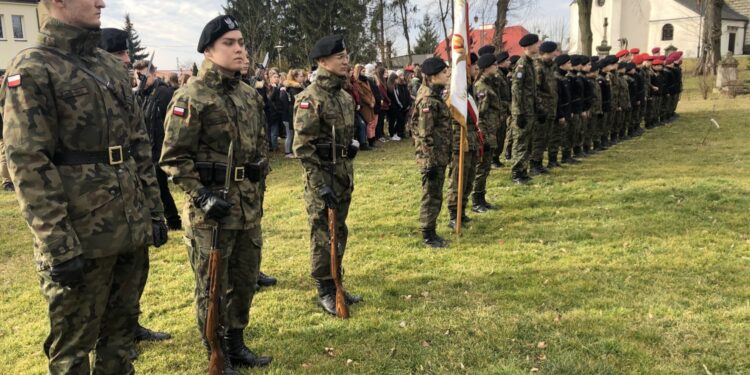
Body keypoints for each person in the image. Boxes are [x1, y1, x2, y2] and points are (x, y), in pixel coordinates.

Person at [1, 0, 169, 372]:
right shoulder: (33, 67)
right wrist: (57, 243)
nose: (101, 2)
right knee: (73, 348)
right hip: (80, 233)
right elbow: (28, 162)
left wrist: (154, 211)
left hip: (128, 224)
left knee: (121, 337)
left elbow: (137, 144)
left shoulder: (109, 66)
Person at [160, 15, 273, 373]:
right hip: (212, 212)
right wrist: (202, 196)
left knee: (243, 279)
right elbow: (173, 157)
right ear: (208, 50)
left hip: (247, 207)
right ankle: (216, 350)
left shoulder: (249, 95)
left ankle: (237, 344)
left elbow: (259, 152)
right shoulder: (191, 96)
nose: (240, 48)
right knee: (212, 286)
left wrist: (258, 191)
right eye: (229, 43)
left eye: (241, 42)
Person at [99, 27, 173, 361]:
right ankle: (114, 335)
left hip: (133, 197)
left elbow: (141, 148)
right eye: (120, 56)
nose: (127, 62)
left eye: (127, 56)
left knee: (135, 270)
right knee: (107, 279)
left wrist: (155, 211)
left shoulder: (127, 93)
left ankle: (131, 324)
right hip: (100, 205)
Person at [293, 34, 363, 316]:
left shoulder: (345, 97)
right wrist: (320, 185)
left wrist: (351, 148)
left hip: (343, 175)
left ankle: (337, 282)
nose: (346, 61)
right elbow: (303, 148)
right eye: (340, 57)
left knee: (339, 231)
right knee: (323, 234)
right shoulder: (310, 99)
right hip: (321, 179)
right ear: (323, 62)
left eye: (346, 56)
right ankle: (324, 287)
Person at [132, 59, 183, 231]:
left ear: (153, 74)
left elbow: (172, 122)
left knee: (160, 187)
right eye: (138, 76)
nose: (141, 80)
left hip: (161, 149)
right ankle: (157, 219)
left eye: (144, 76)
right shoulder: (139, 95)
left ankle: (173, 220)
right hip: (145, 149)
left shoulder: (163, 93)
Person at [410, 57, 452, 248]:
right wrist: (430, 162)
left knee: (435, 193)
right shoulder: (428, 100)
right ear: (433, 76)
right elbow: (424, 134)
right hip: (432, 158)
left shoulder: (434, 96)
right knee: (431, 195)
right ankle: (428, 233)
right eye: (444, 72)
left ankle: (431, 229)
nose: (448, 74)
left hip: (439, 155)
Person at [472, 51, 501, 213]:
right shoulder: (481, 87)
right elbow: (479, 114)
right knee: (481, 168)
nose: (496, 67)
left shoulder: (490, 84)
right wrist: (483, 137)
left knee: (486, 167)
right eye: (494, 65)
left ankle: (481, 197)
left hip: (491, 130)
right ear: (486, 68)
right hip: (485, 132)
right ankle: (476, 201)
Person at [509, 34, 540, 184]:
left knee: (527, 142)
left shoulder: (530, 63)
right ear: (528, 46)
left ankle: (523, 170)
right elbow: (516, 88)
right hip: (522, 111)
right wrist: (519, 111)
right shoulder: (522, 64)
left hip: (529, 110)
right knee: (520, 141)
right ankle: (516, 172)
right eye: (536, 43)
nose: (538, 45)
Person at [530, 41, 558, 176]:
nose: (556, 54)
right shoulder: (538, 67)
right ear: (547, 52)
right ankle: (534, 164)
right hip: (541, 109)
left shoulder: (551, 67)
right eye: (554, 51)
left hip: (550, 108)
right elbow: (535, 90)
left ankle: (539, 162)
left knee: (546, 137)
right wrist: (540, 108)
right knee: (538, 137)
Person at [281, 69, 306, 158]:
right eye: (301, 76)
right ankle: (287, 152)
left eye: (303, 76)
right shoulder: (293, 89)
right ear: (295, 77)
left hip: (293, 113)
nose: (303, 78)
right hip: (289, 114)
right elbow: (297, 100)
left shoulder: (300, 87)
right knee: (289, 134)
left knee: (293, 134)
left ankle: (293, 150)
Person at [0, 68, 12, 193]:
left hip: (9, 127)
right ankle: (7, 182)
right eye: (2, 77)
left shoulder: (6, 91)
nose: (3, 79)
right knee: (4, 155)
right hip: (2, 129)